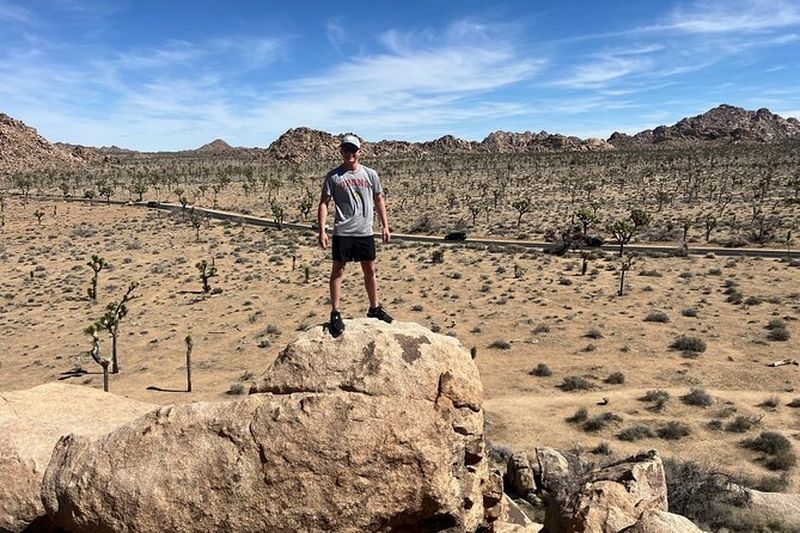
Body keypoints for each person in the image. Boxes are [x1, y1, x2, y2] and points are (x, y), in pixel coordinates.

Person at [318, 134, 392, 337]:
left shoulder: (370, 175)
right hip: (343, 231)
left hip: (364, 231)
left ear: (360, 152)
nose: (349, 153)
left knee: (370, 269)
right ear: (341, 151)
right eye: (346, 149)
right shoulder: (334, 177)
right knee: (338, 271)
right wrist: (322, 230)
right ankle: (335, 312)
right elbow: (324, 203)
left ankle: (374, 308)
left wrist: (385, 226)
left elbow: (379, 200)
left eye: (353, 149)